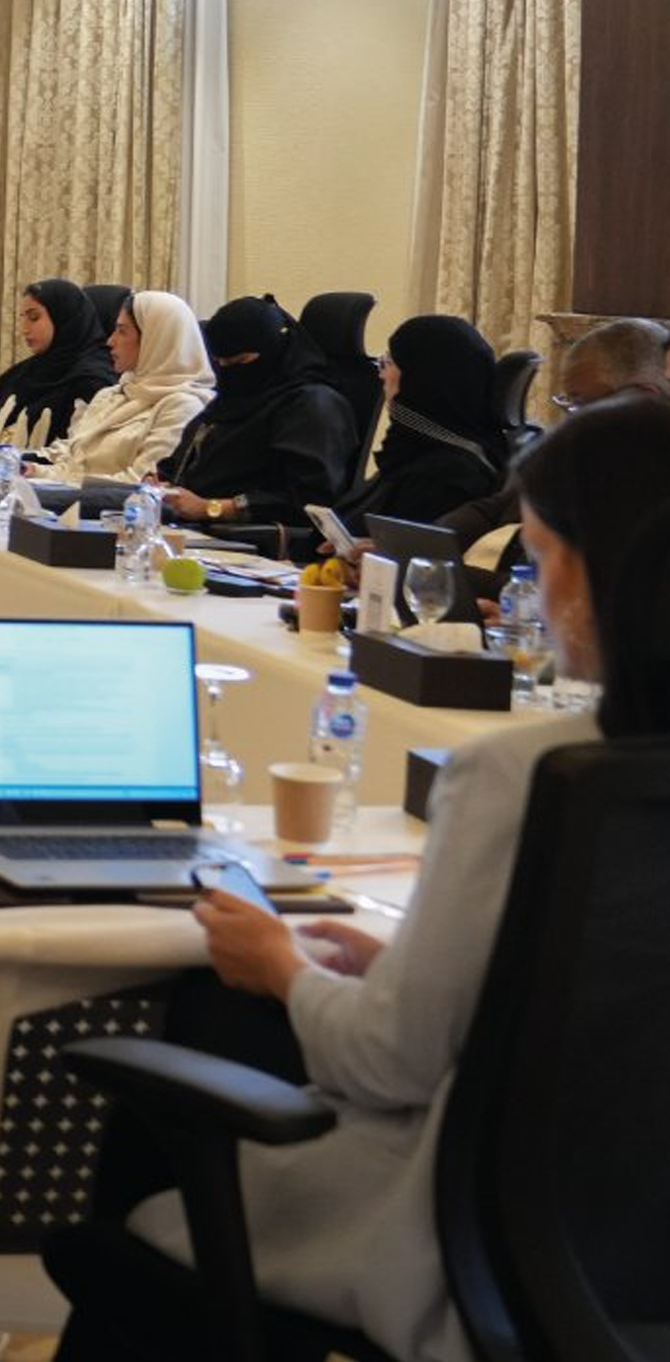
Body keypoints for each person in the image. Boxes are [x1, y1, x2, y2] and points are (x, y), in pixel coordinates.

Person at [68, 396, 670, 1362]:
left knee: (197, 1053)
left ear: (593, 577)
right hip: (627, 1261)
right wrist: (412, 968)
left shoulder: (525, 779)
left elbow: (389, 1062)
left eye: (540, 557)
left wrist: (281, 966)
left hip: (463, 1258)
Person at [434, 317, 668, 556]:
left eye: (580, 404)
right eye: (567, 402)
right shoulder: (569, 450)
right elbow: (493, 508)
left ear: (642, 399)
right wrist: (431, 542)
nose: (570, 418)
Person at [158, 296, 360, 530]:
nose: (227, 371)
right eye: (220, 362)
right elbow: (183, 463)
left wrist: (213, 508)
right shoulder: (231, 400)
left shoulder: (313, 406)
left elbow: (310, 501)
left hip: (248, 538)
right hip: (189, 526)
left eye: (239, 360)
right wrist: (161, 485)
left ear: (273, 349)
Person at [336, 316, 515, 531]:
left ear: (422, 379)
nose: (381, 373)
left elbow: (401, 544)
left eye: (390, 362)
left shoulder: (444, 477)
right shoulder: (419, 449)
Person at [29, 290, 214, 483]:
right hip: (66, 497)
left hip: (108, 502)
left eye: (122, 331)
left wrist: (55, 487)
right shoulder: (112, 394)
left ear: (154, 340)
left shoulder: (182, 407)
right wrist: (32, 470)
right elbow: (70, 461)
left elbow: (140, 482)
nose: (110, 341)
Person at [0, 278, 121, 447]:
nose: (24, 329)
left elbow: (82, 450)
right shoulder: (17, 375)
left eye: (34, 317)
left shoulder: (93, 382)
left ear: (63, 316)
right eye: (23, 318)